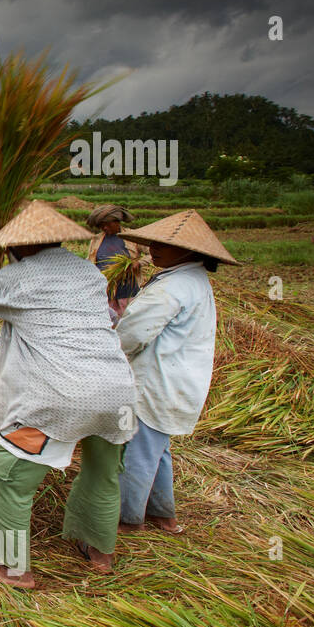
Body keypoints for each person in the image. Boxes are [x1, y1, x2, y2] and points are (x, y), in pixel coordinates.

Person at [0, 200, 136, 585]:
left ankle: (9, 567)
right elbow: (108, 319)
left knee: (9, 474)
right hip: (117, 393)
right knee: (104, 475)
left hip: (61, 399)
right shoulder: (88, 273)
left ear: (16, 246)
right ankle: (100, 552)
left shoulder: (17, 277)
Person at [115, 210, 238, 536]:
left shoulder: (172, 287)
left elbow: (132, 335)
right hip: (178, 381)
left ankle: (128, 520)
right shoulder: (192, 280)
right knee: (158, 450)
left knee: (138, 452)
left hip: (158, 383)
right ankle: (163, 517)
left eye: (164, 245)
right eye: (154, 243)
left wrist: (108, 347)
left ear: (189, 250)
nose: (154, 249)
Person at [86, 204, 142, 319]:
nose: (105, 228)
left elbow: (152, 253)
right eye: (101, 226)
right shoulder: (96, 240)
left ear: (117, 222)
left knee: (128, 321)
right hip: (105, 291)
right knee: (108, 321)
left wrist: (139, 263)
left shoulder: (132, 237)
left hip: (128, 291)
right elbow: (89, 261)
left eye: (107, 224)